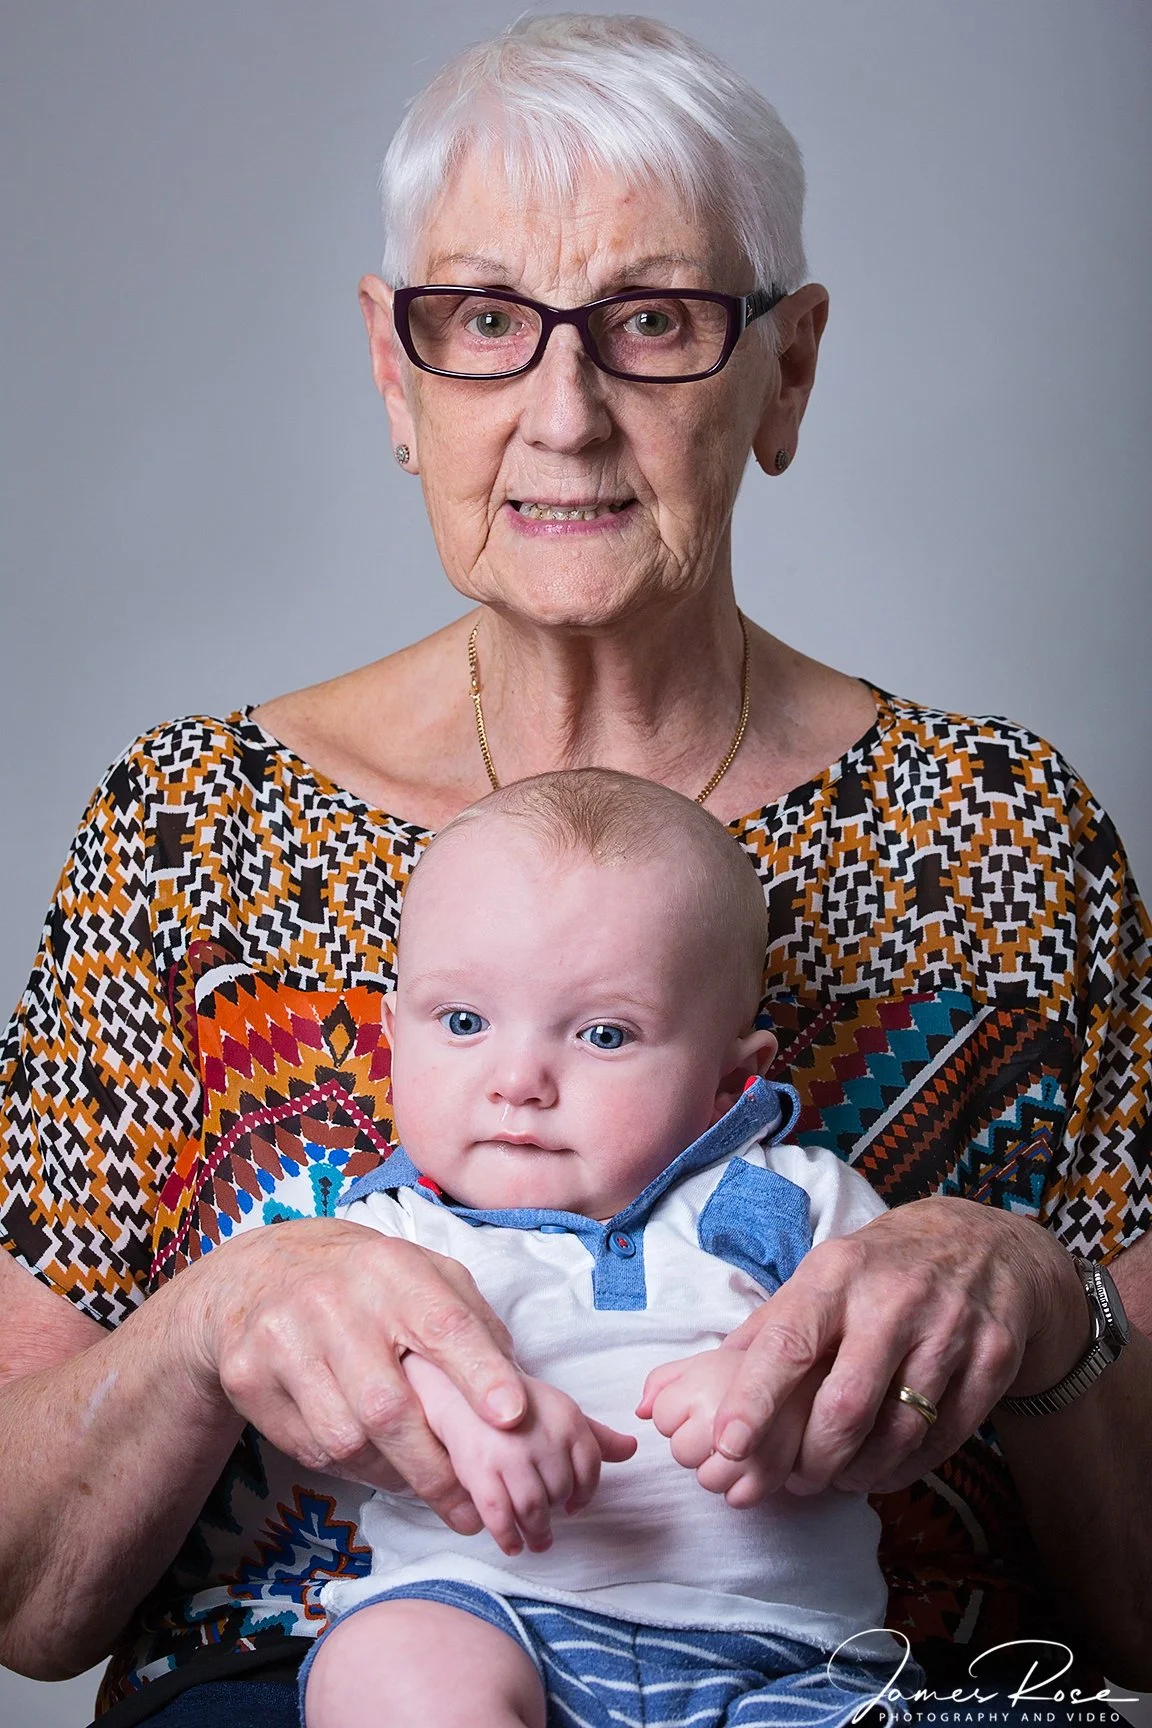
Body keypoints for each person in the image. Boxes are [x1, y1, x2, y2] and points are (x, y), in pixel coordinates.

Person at [0, 14, 1148, 1728]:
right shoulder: (190, 835)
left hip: (856, 1686)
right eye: (480, 320)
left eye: (655, 321)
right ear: (395, 375)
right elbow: (25, 1598)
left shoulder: (1001, 834)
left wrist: (1048, 1313)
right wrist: (217, 1315)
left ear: (789, 369)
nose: (563, 413)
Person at [302, 767, 919, 1728]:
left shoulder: (788, 1196)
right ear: (392, 1038)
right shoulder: (393, 1234)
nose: (517, 1079)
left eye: (602, 1033)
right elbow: (341, 1377)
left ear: (729, 1081)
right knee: (392, 1664)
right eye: (462, 1022)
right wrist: (469, 1420)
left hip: (791, 1654)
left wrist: (777, 1384)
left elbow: (894, 1333)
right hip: (488, 1610)